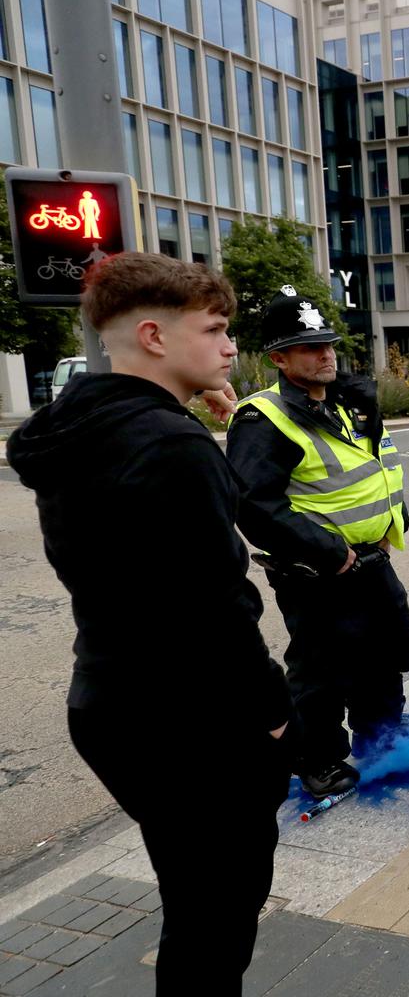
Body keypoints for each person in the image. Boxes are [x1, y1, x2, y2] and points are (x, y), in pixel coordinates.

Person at [7, 254, 292, 993]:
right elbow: (215, 602)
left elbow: (142, 560)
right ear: (155, 338)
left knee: (194, 901)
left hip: (111, 698)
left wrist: (202, 432)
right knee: (217, 916)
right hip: (189, 716)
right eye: (217, 329)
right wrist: (272, 714)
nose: (231, 347)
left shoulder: (81, 429)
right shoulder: (170, 444)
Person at [228, 287, 409, 799]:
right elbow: (256, 506)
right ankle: (317, 760)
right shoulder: (262, 418)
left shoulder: (348, 402)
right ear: (278, 358)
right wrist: (333, 554)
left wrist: (385, 527)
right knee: (322, 671)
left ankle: (381, 737)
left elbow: (374, 468)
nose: (325, 353)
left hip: (372, 560)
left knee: (385, 654)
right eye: (309, 347)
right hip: (320, 574)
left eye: (327, 343)